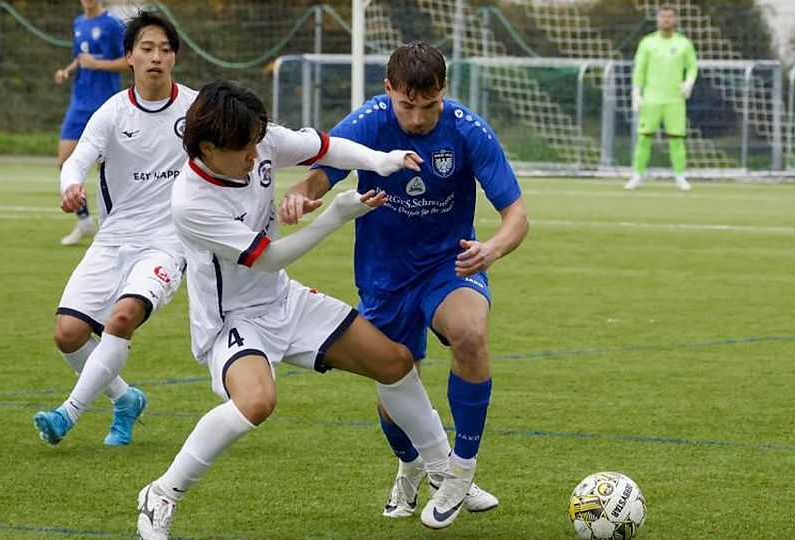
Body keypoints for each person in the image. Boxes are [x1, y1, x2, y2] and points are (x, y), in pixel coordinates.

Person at [136, 80, 472, 539]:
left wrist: (380, 160)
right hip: (233, 321)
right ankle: (162, 493)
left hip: (284, 300)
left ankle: (442, 473)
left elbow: (327, 147)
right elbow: (268, 257)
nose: (255, 156)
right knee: (257, 401)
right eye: (243, 150)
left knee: (394, 362)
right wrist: (335, 216)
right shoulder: (191, 202)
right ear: (208, 148)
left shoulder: (258, 138)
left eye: (256, 143)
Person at [281, 41, 529, 527]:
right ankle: (412, 466)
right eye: (406, 106)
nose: (417, 119)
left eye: (429, 106)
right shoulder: (369, 122)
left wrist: (492, 249)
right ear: (388, 89)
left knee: (470, 333)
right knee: (395, 381)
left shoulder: (467, 130)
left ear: (444, 90)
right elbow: (320, 175)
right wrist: (299, 194)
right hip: (384, 278)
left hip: (448, 266)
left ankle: (460, 470)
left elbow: (516, 215)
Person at [33, 11, 195, 447]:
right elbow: (76, 161)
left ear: (175, 58)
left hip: (167, 244)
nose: (156, 57)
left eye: (164, 49)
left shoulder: (198, 110)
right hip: (113, 239)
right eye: (147, 48)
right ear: (129, 57)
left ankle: (67, 414)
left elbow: (251, 137)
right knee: (68, 334)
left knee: (121, 318)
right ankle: (126, 399)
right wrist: (70, 187)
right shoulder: (112, 112)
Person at [55, 0, 130, 245]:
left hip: (105, 103)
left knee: (105, 168)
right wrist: (68, 71)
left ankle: (110, 225)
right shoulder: (78, 23)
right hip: (79, 103)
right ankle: (85, 220)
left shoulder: (113, 24)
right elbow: (81, 58)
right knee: (65, 161)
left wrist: (97, 64)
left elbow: (127, 61)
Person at [625, 5, 698, 191]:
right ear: (657, 19)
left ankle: (680, 177)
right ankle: (637, 176)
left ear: (675, 20)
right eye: (663, 16)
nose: (666, 19)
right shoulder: (647, 43)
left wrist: (689, 82)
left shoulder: (684, 44)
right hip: (651, 99)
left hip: (674, 100)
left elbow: (692, 66)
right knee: (644, 138)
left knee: (676, 139)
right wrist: (636, 92)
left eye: (670, 16)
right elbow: (640, 69)